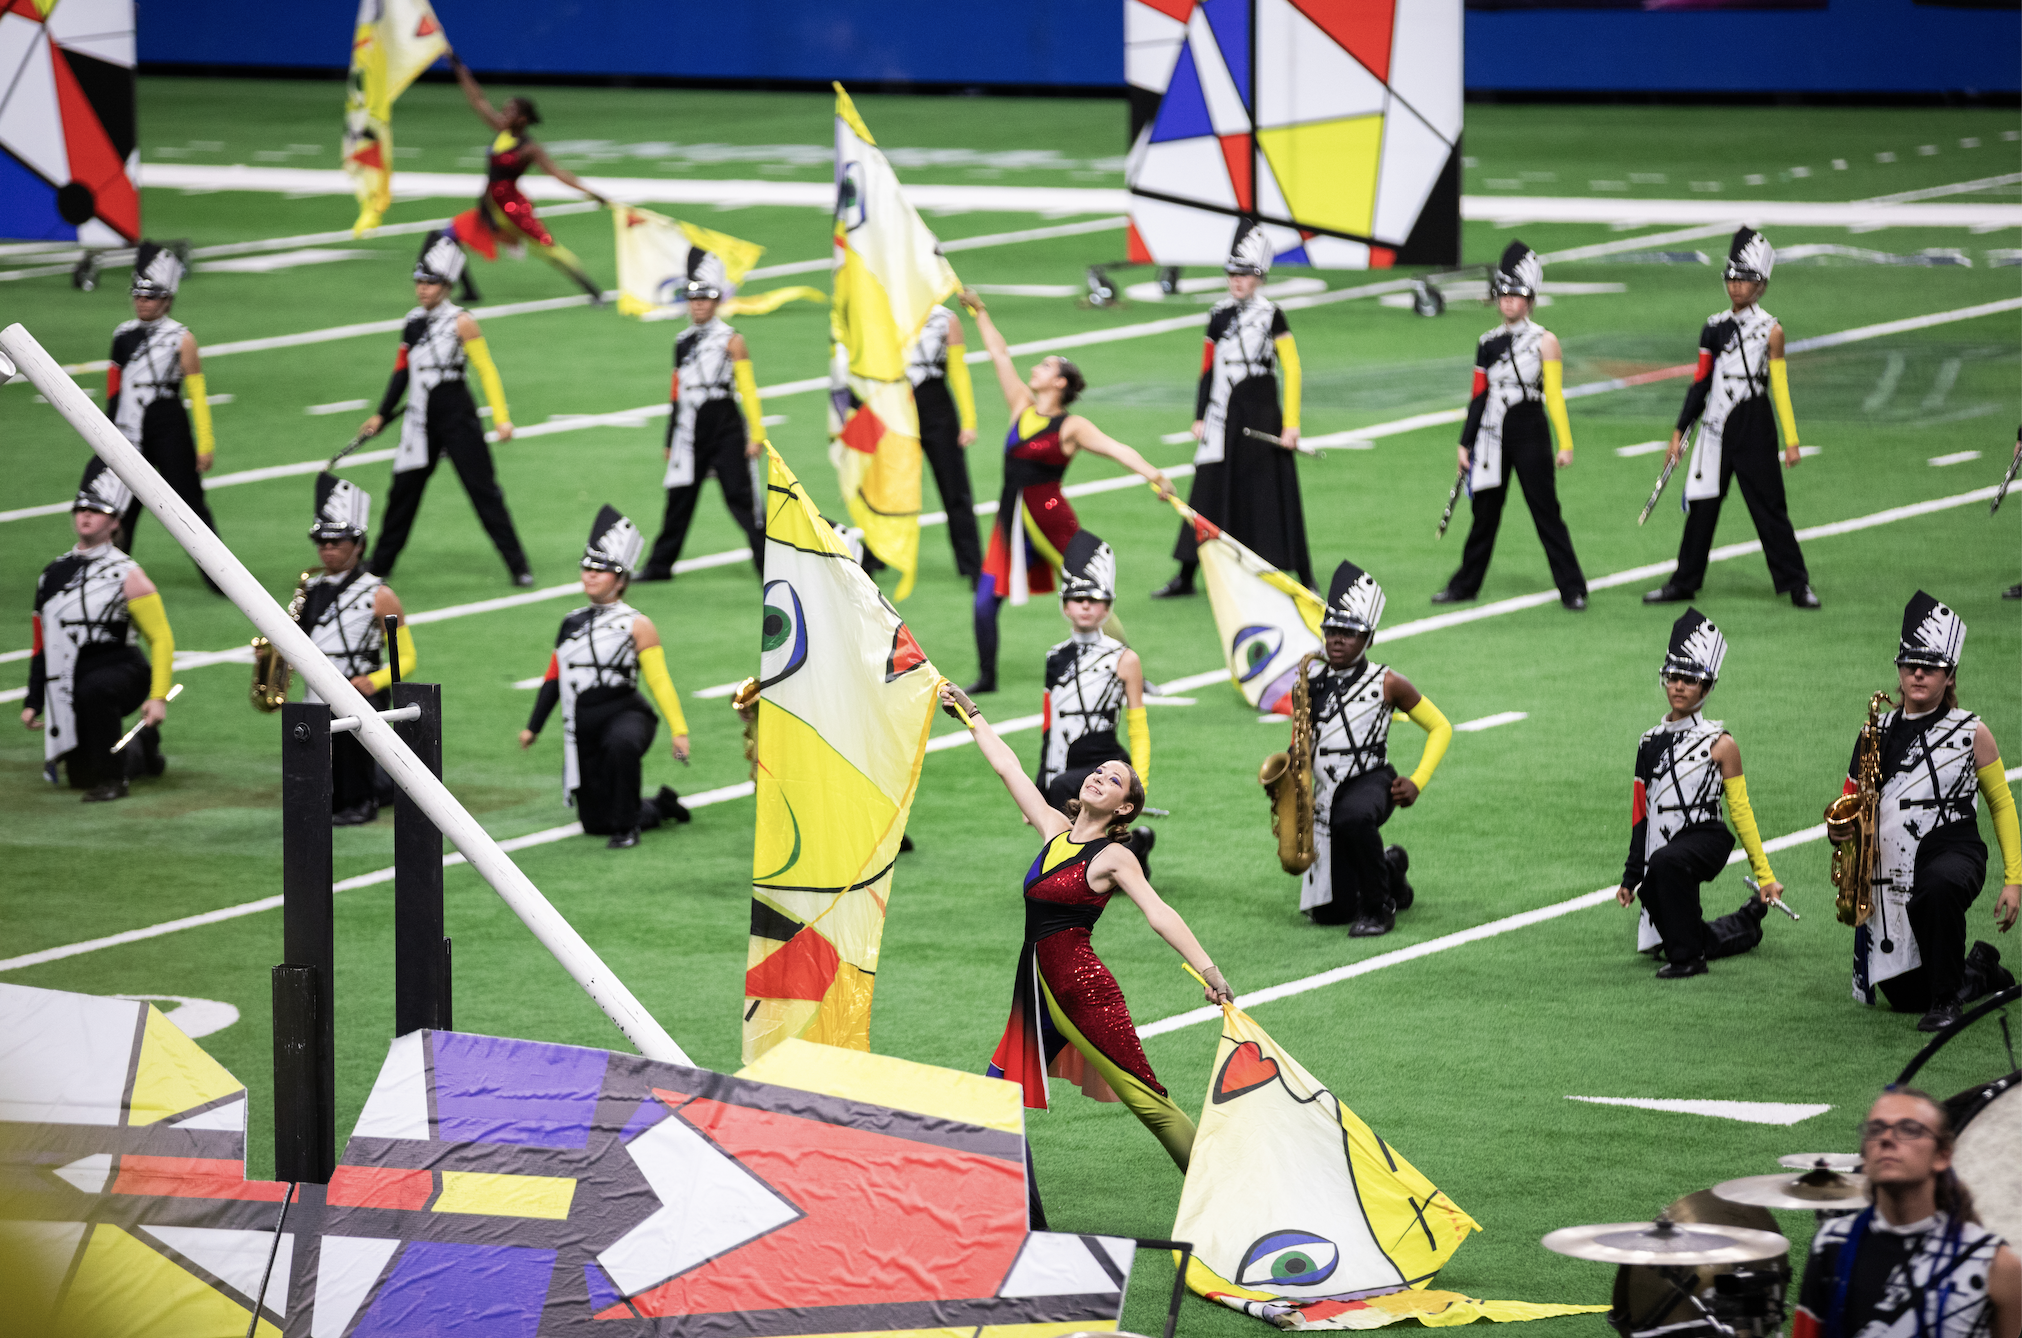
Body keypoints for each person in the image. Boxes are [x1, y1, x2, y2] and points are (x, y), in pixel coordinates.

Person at [938, 680, 1233, 1175]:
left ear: (1124, 808)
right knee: (995, 1098)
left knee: (1150, 1103)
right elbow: (1007, 766)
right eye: (1097, 771)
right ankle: (1020, 1209)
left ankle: (1223, 1190)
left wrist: (1209, 970)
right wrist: (971, 713)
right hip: (1036, 989)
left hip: (1082, 993)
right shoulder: (1053, 830)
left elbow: (1159, 912)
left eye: (1113, 779)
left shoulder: (1114, 856)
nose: (1098, 777)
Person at [960, 288, 1176, 693]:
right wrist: (980, 312)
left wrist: (1155, 475)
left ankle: (1131, 670)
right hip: (1011, 519)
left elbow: (1115, 449)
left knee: (1091, 593)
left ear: (1059, 382)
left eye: (1045, 366)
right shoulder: (1021, 406)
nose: (1035, 368)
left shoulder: (1071, 426)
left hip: (1050, 516)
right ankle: (987, 678)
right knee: (985, 600)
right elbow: (999, 355)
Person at [1845, 592, 2019, 1031]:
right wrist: (1844, 834)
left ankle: (1947, 1004)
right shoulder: (1874, 732)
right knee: (1906, 998)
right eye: (1910, 665)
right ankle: (1979, 969)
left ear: (1950, 674)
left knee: (1937, 888)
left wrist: (2014, 879)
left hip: (1953, 848)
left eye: (1931, 666)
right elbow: (1851, 798)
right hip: (1889, 867)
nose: (1918, 673)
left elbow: (2001, 804)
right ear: (1899, 671)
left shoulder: (1972, 731)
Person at [1646, 227, 1819, 609]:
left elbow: (1780, 387)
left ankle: (1797, 584)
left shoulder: (1772, 330)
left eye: (1745, 279)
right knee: (1702, 505)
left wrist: (1791, 440)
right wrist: (1678, 432)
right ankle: (1684, 581)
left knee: (1770, 508)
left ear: (1762, 285)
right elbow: (1700, 382)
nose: (1736, 285)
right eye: (1732, 277)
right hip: (1715, 424)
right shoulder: (1713, 327)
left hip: (1754, 422)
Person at [1613, 609, 1782, 977]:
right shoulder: (1648, 742)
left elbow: (1741, 812)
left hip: (1706, 838)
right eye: (1673, 677)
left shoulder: (1721, 743)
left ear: (1706, 687)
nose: (1678, 687)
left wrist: (1765, 875)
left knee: (1666, 868)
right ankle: (1746, 921)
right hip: (1664, 848)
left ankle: (1690, 961)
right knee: (1676, 930)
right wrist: (1631, 877)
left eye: (1689, 680)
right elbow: (1641, 813)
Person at [360, 232, 533, 586]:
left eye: (430, 283)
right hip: (419, 417)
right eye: (419, 282)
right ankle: (380, 564)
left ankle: (518, 565)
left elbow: (486, 369)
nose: (422, 289)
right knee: (403, 492)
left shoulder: (461, 321)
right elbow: (401, 371)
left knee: (483, 491)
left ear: (447, 285)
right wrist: (381, 413)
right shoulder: (412, 322)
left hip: (456, 413)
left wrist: (501, 418)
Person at [521, 506, 693, 848]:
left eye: (600, 570)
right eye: (587, 568)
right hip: (584, 723)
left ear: (621, 579)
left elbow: (659, 680)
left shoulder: (637, 624)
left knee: (621, 745)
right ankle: (661, 806)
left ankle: (628, 830)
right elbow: (555, 677)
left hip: (626, 713)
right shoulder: (570, 623)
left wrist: (679, 731)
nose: (590, 576)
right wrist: (534, 727)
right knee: (597, 823)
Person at [1155, 223, 1312, 598]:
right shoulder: (1218, 315)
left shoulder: (1272, 315)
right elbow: (1207, 369)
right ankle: (1187, 574)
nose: (1236, 281)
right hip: (1221, 414)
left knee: (1269, 491)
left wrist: (1291, 424)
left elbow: (1292, 368)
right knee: (1206, 492)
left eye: (1244, 274)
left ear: (1259, 277)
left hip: (1260, 412)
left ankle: (1301, 574)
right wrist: (1199, 416)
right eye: (1232, 274)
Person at [1299, 562, 1453, 936]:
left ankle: (1379, 907)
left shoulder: (1388, 682)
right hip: (1325, 789)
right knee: (1331, 914)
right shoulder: (1310, 681)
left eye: (1349, 633)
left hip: (1371, 779)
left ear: (1369, 639)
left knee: (1352, 818)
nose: (1337, 640)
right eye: (1331, 631)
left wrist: (1417, 780)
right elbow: (1304, 738)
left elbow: (1440, 726)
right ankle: (1391, 867)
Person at [1433, 240, 1587, 611]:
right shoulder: (1486, 343)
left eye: (1515, 295)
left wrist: (1565, 443)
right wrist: (1465, 443)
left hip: (1529, 428)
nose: (1507, 302)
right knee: (1484, 514)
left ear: (1530, 299)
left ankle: (1573, 588)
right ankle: (1465, 585)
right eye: (1503, 295)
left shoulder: (1545, 341)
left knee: (1545, 512)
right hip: (1491, 433)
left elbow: (1554, 396)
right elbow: (1478, 396)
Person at [1792, 1087, 2019, 1338]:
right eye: (1875, 1130)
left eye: (1909, 1129)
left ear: (1942, 1155)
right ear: (1865, 1160)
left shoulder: (1996, 1265)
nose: (1886, 1139)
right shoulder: (1831, 1243)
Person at [23, 461, 174, 801]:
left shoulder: (128, 574)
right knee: (81, 776)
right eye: (80, 509)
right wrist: (33, 700)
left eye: (96, 510)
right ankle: (142, 746)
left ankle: (114, 781)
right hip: (69, 674)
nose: (86, 516)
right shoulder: (52, 574)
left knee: (96, 691)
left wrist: (158, 696)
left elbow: (161, 638)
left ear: (115, 521)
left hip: (121, 667)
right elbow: (42, 642)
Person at [640, 250, 767, 581]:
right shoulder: (681, 342)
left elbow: (748, 389)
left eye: (704, 299)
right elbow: (676, 394)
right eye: (692, 299)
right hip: (688, 427)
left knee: (743, 499)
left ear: (717, 302)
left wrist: (757, 434)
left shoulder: (732, 340)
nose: (697, 306)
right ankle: (659, 566)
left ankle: (769, 565)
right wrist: (670, 438)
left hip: (724, 422)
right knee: (679, 498)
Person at [298, 472, 414, 826]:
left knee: (352, 753)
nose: (328, 549)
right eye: (322, 542)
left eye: (337, 542)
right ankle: (331, 800)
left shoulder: (379, 594)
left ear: (359, 544)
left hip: (357, 688)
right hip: (315, 689)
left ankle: (362, 802)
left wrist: (374, 681)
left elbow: (407, 658)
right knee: (314, 752)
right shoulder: (309, 590)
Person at [1036, 531, 1155, 868]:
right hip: (1063, 762)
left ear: (1108, 606)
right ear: (1064, 604)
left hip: (1105, 760)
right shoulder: (1054, 657)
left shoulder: (1124, 658)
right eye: (1077, 598)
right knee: (1070, 824)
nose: (1086, 605)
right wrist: (1040, 785)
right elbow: (1050, 725)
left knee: (1079, 828)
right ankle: (1136, 845)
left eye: (1094, 598)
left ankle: (1082, 873)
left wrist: (1139, 783)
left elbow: (1138, 726)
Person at [446, 52, 605, 302]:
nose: (504, 112)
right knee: (450, 235)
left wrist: (591, 193)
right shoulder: (501, 129)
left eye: (510, 110)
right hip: (489, 203)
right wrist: (459, 69)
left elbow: (557, 173)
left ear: (522, 119)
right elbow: (478, 100)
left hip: (512, 207)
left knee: (548, 249)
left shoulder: (529, 148)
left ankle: (594, 292)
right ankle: (469, 291)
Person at [109, 242, 221, 587]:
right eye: (139, 296)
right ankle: (110, 575)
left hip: (168, 423)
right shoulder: (122, 336)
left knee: (189, 504)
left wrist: (205, 442)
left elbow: (196, 394)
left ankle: (220, 576)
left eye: (151, 296)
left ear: (168, 299)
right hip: (128, 426)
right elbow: (114, 390)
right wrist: (105, 436)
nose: (143, 302)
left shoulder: (182, 338)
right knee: (119, 507)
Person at [906, 301, 983, 581]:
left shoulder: (944, 318)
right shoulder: (879, 308)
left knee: (955, 488)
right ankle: (876, 557)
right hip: (893, 406)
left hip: (935, 404)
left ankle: (973, 565)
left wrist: (969, 421)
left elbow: (957, 370)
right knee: (887, 488)